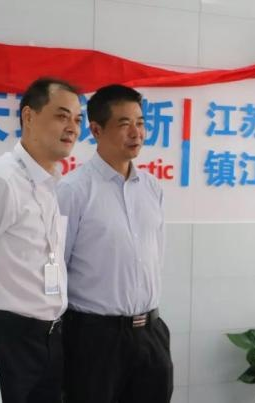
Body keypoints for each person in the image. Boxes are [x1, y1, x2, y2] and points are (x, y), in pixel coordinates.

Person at [57, 84, 173, 403]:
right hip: (94, 339)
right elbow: (56, 266)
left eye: (140, 123)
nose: (136, 133)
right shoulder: (73, 190)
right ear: (96, 130)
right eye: (124, 124)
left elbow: (156, 255)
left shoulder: (152, 188)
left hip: (150, 333)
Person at [0, 77, 82, 403]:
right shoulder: (0, 180)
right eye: (61, 116)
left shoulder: (50, 182)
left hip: (51, 336)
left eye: (77, 119)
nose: (72, 128)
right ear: (28, 116)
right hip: (7, 340)